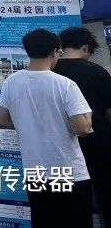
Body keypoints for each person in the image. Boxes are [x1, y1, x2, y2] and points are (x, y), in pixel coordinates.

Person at [0, 28, 93, 227]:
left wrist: (28, 124)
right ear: (54, 52)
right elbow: (83, 128)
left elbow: (2, 121)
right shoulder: (65, 84)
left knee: (44, 221)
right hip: (68, 171)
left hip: (35, 172)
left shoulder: (11, 82)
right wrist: (87, 116)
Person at [53, 26, 111, 222]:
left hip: (60, 146)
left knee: (68, 201)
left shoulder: (50, 72)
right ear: (85, 48)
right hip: (98, 143)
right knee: (104, 194)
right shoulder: (97, 71)